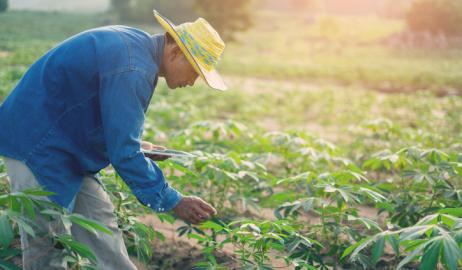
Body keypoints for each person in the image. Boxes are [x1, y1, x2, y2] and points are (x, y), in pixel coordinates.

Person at [0, 10, 227, 270]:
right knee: (47, 248)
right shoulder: (134, 67)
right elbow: (124, 154)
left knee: (102, 231)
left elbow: (95, 111)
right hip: (36, 144)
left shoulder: (137, 49)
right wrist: (173, 200)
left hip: (66, 145)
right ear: (176, 52)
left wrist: (137, 146)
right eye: (196, 71)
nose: (193, 81)